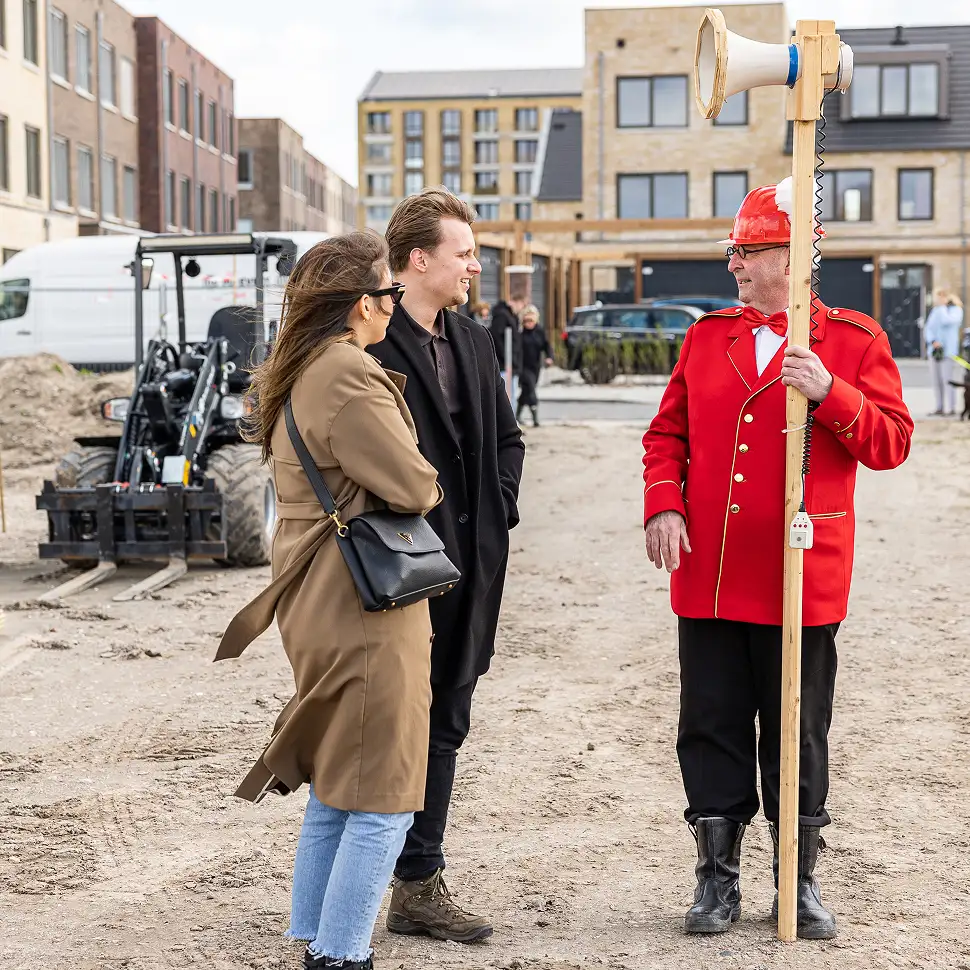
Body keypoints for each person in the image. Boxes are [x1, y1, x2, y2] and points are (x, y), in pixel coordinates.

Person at [641, 179, 913, 940]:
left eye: (746, 251)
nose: (732, 265)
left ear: (788, 257)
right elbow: (666, 437)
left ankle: (798, 879)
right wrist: (664, 501)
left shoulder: (853, 341)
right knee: (711, 726)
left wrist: (832, 392)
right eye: (733, 250)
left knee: (799, 730)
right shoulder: (706, 338)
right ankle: (716, 880)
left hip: (802, 578)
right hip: (715, 578)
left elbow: (892, 441)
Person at [213, 232, 443, 970]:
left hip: (317, 597)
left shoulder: (304, 368)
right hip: (363, 606)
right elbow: (414, 488)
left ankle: (314, 938)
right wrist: (428, 477)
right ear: (360, 303)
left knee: (340, 785)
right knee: (385, 796)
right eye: (389, 294)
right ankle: (341, 956)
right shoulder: (348, 375)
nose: (394, 308)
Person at [368, 188, 525, 943]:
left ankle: (418, 882)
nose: (475, 264)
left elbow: (506, 439)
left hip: (471, 565)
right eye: (463, 253)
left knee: (448, 720)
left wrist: (497, 514)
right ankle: (384, 880)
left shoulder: (471, 339)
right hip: (398, 571)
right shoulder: (367, 340)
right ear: (418, 259)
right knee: (390, 724)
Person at [924, 288, 964, 416]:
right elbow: (928, 328)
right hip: (935, 351)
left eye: (942, 297)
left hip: (948, 352)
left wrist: (942, 308)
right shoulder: (936, 311)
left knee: (947, 379)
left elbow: (948, 321)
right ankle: (939, 406)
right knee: (936, 381)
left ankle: (950, 407)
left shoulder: (956, 311)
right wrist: (932, 340)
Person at [516, 304, 554, 426]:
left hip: (535, 367)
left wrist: (549, 357)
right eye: (526, 320)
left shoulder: (539, 332)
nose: (528, 323)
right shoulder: (520, 334)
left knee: (526, 391)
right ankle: (535, 419)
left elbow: (547, 346)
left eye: (531, 320)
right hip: (522, 367)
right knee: (531, 389)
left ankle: (517, 415)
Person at [488, 293, 524, 403]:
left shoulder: (511, 316)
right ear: (515, 302)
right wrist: (506, 357)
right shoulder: (502, 315)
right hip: (504, 363)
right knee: (506, 396)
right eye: (521, 305)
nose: (521, 309)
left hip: (511, 362)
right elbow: (497, 338)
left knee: (511, 394)